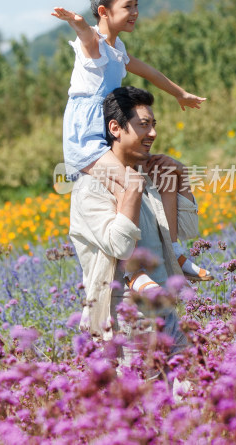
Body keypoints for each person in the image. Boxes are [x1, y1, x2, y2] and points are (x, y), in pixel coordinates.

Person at [52, 0, 211, 282]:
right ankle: (132, 271)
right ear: (104, 12)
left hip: (109, 134)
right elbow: (87, 36)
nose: (136, 12)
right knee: (131, 184)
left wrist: (179, 93)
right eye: (128, 6)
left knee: (167, 170)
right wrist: (76, 21)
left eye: (137, 4)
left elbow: (148, 71)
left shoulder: (117, 48)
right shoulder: (94, 46)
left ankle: (174, 248)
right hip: (86, 141)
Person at [69, 87, 193, 357]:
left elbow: (177, 236)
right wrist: (131, 191)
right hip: (128, 321)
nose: (153, 133)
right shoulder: (91, 188)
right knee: (146, 398)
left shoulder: (143, 176)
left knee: (189, 393)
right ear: (115, 128)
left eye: (154, 124)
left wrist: (177, 179)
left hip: (166, 311)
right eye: (144, 125)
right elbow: (121, 247)